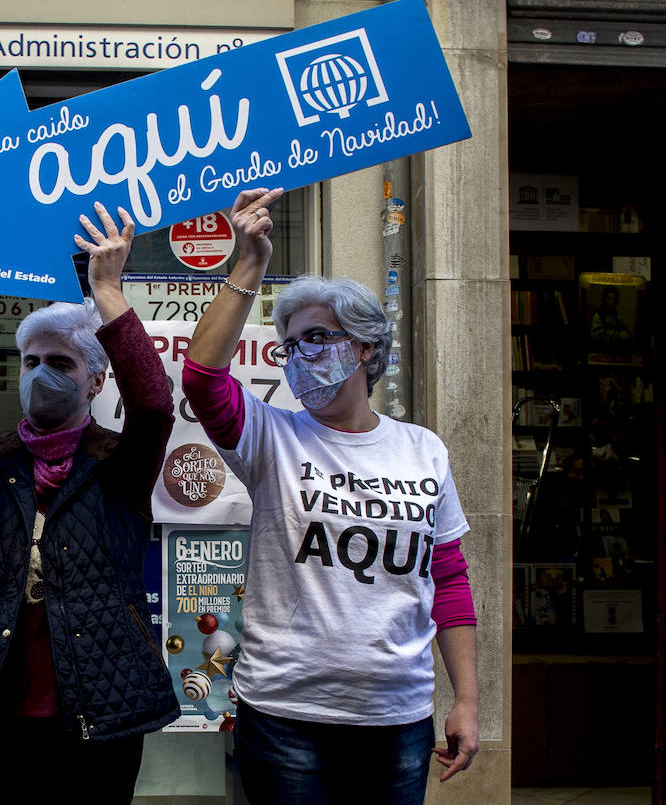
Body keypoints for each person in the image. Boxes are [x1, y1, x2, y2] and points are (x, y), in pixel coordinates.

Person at [182, 188, 480, 805]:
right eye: (290, 346)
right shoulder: (272, 436)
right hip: (286, 716)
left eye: (317, 338)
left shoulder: (423, 449)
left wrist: (468, 701)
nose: (300, 358)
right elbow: (204, 379)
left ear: (365, 347)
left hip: (397, 721)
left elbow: (448, 580)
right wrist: (249, 263)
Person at [0, 203, 179, 804]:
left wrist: (107, 292)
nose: (41, 374)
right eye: (30, 362)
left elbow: (156, 406)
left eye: (60, 363)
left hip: (103, 700)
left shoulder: (118, 464)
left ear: (95, 380)